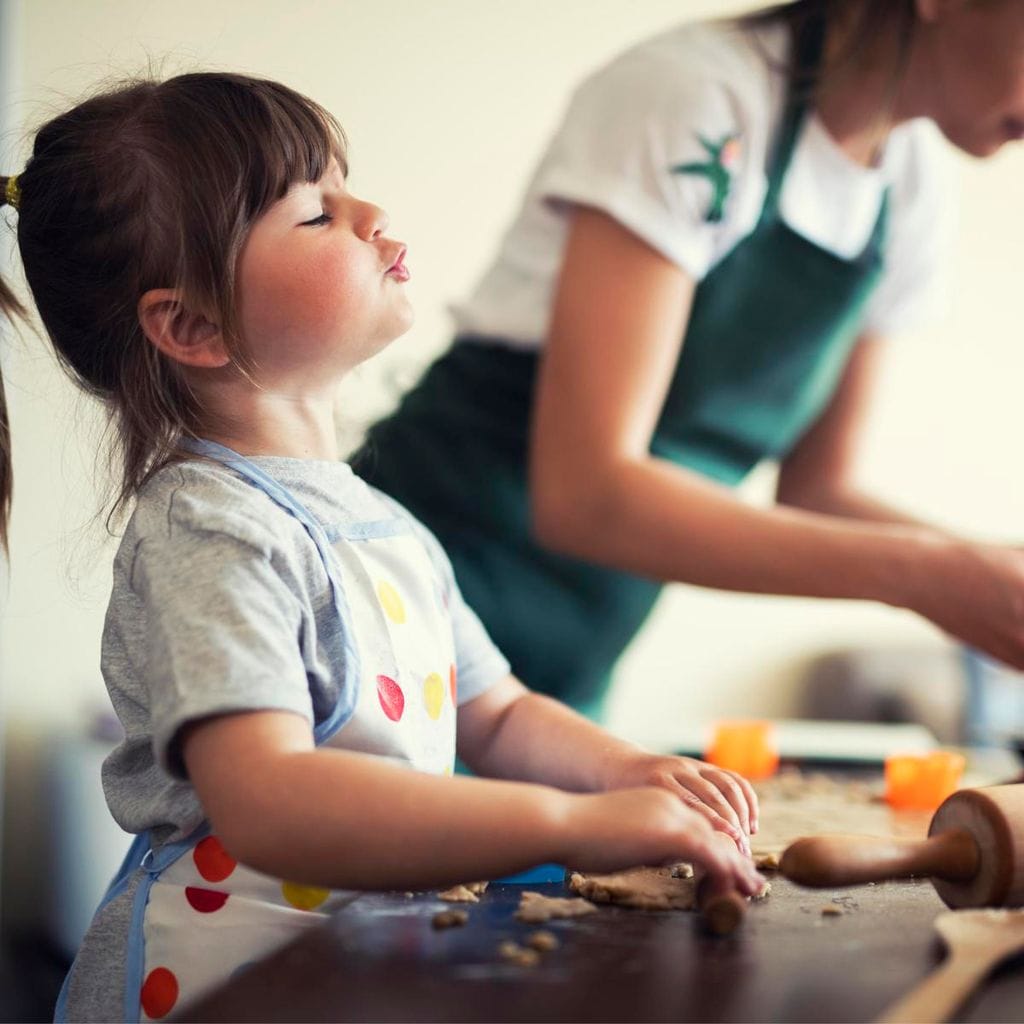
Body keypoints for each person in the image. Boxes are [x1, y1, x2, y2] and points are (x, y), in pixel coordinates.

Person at [0, 72, 763, 1023]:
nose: (368, 212)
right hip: (217, 988)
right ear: (192, 325)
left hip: (355, 978)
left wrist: (626, 771)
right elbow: (269, 798)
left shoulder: (384, 522)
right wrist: (574, 823)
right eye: (315, 213)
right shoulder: (209, 525)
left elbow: (501, 713)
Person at [357, 0, 1024, 721]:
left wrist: (989, 574)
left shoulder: (911, 188)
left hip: (565, 678)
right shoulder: (692, 98)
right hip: (405, 620)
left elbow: (819, 488)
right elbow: (587, 497)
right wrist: (931, 575)